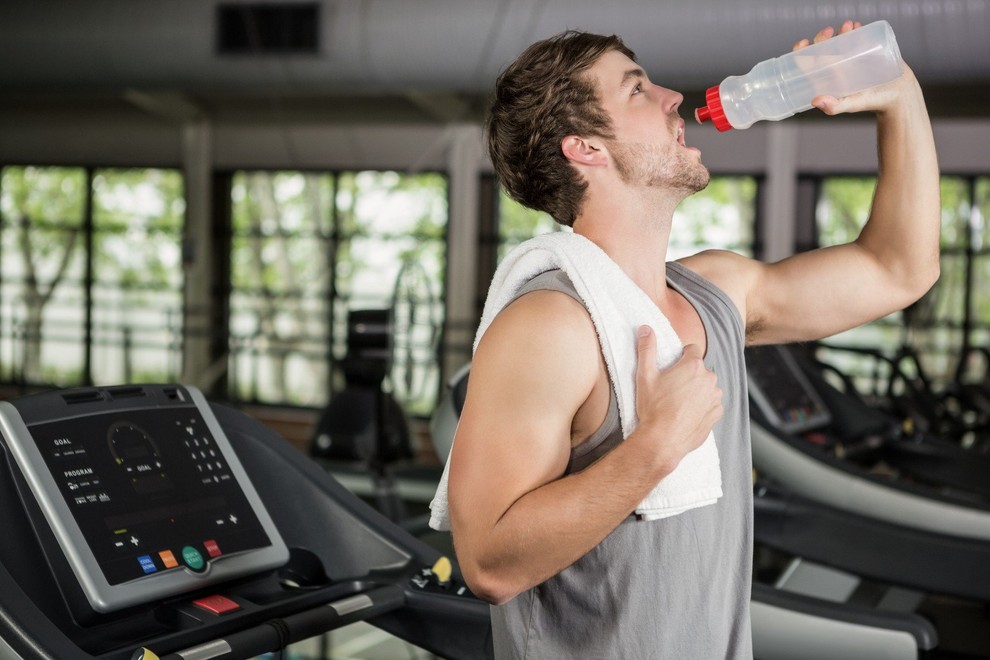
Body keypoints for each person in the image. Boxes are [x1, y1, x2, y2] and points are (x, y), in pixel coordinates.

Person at [444, 20, 940, 659]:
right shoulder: (550, 325)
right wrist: (657, 444)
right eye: (637, 90)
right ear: (586, 148)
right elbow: (488, 563)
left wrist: (899, 95)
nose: (672, 97)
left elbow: (900, 268)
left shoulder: (719, 291)